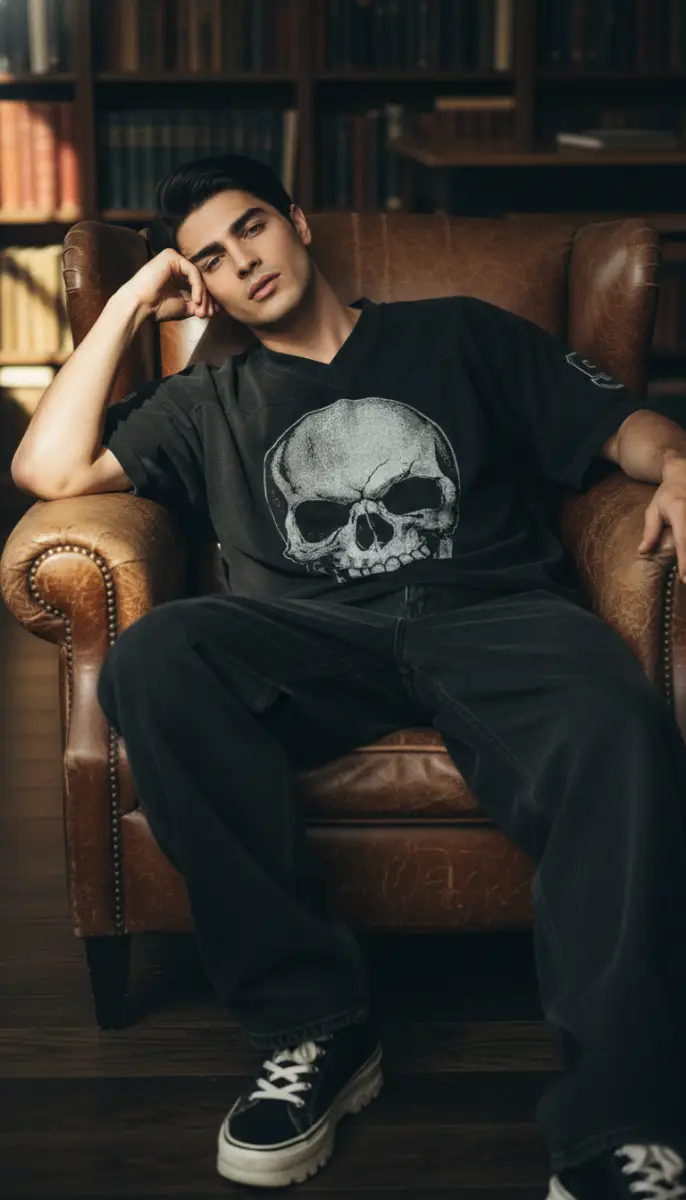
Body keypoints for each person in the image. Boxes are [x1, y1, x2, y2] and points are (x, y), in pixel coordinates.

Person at [11, 154, 686, 1197]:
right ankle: (313, 1030)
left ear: (298, 222)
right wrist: (135, 299)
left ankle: (620, 1119)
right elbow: (48, 472)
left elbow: (617, 425)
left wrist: (678, 460)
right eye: (207, 259)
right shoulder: (202, 401)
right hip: (311, 638)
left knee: (619, 723)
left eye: (250, 230)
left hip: (495, 615)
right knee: (158, 658)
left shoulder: (459, 331)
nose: (240, 263)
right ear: (197, 284)